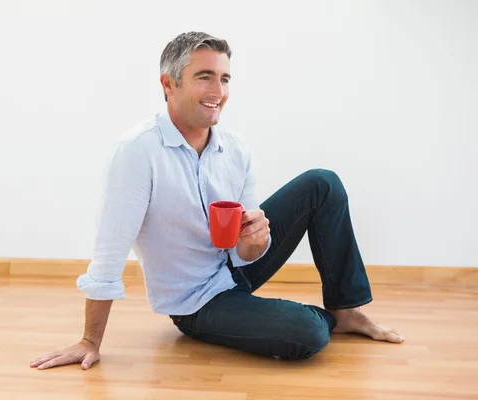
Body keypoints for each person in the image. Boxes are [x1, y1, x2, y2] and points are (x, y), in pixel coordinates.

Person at [30, 31, 403, 371]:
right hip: (197, 301)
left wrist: (255, 242)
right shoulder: (137, 152)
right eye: (204, 76)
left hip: (234, 266)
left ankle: (345, 308)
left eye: (224, 78)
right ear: (168, 84)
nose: (218, 90)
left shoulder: (235, 148)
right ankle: (322, 320)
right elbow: (109, 252)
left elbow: (245, 251)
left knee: (322, 184)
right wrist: (89, 340)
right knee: (305, 333)